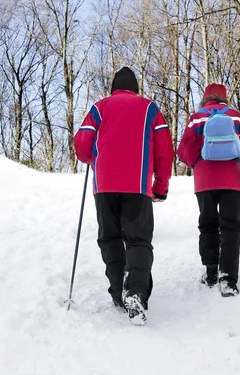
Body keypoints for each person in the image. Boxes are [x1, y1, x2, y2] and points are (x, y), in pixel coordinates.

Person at [73, 67, 174, 325]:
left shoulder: (100, 107)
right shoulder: (150, 109)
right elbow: (164, 151)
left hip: (104, 185)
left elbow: (83, 143)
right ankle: (136, 291)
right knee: (138, 240)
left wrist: (89, 157)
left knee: (110, 238)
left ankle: (119, 292)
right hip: (137, 185)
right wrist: (160, 185)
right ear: (136, 88)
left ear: (113, 87)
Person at [177, 83, 240, 297]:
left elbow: (184, 151)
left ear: (205, 98)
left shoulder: (196, 118)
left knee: (208, 225)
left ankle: (211, 271)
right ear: (225, 98)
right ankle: (228, 278)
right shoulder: (236, 117)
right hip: (232, 180)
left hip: (204, 181)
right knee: (231, 227)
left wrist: (196, 162)